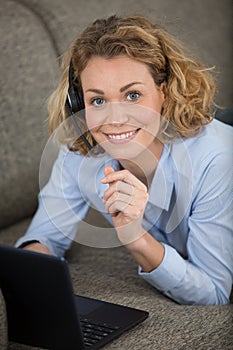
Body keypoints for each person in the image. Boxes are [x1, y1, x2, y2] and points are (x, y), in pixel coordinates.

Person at [16, 15, 233, 305]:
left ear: (164, 94)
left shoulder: (216, 159)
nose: (115, 119)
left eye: (132, 95)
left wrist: (136, 238)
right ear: (80, 105)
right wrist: (27, 280)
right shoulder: (81, 151)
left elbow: (214, 293)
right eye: (98, 101)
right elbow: (44, 236)